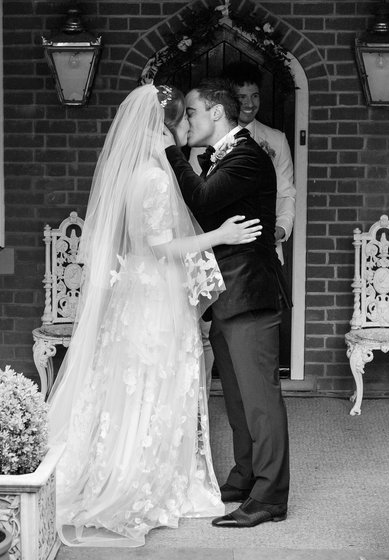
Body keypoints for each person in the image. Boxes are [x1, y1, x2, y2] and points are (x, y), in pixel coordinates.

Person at [47, 84, 262, 547]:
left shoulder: (136, 173)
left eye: (192, 114)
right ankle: (147, 481)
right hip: (157, 297)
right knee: (157, 383)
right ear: (165, 127)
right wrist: (220, 235)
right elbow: (163, 247)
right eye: (183, 117)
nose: (189, 124)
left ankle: (134, 468)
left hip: (135, 293)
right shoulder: (159, 178)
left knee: (132, 385)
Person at [162, 78, 291, 529]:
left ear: (216, 113)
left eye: (192, 112)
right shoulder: (223, 158)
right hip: (227, 294)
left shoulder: (248, 157)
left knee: (260, 400)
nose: (187, 121)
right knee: (235, 397)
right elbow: (211, 215)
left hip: (252, 294)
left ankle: (270, 496)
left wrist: (170, 151)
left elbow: (201, 199)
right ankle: (245, 474)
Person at [188, 63, 296, 264]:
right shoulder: (203, 142)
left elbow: (286, 192)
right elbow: (195, 195)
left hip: (263, 250)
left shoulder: (276, 139)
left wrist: (279, 230)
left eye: (255, 96)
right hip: (218, 251)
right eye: (242, 97)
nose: (250, 103)